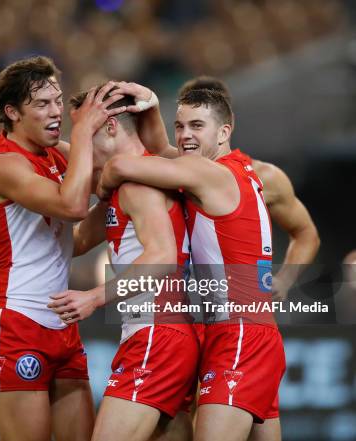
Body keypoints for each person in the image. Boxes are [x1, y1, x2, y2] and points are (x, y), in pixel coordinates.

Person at [97, 88, 285, 441]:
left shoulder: (207, 173)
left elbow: (121, 164)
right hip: (248, 331)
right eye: (179, 125)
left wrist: (106, 185)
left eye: (197, 126)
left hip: (238, 332)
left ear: (224, 132)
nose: (185, 136)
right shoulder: (235, 169)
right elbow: (164, 152)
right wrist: (153, 105)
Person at [0, 56, 126, 441]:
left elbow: (73, 241)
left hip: (63, 326)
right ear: (12, 112)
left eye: (57, 100)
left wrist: (112, 196)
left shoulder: (55, 154)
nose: (56, 111)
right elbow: (73, 206)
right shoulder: (1, 165)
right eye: (42, 104)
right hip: (15, 325)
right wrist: (83, 133)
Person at [48, 89, 198, 441]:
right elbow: (77, 241)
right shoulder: (121, 188)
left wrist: (94, 297)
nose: (80, 147)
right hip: (162, 335)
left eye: (86, 134)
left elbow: (161, 257)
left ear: (111, 127)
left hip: (157, 333)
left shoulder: (138, 184)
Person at [178, 76, 320, 303]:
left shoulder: (265, 177)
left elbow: (306, 234)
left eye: (198, 123)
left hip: (239, 314)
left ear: (227, 122)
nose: (189, 131)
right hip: (179, 312)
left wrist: (284, 280)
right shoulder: (167, 173)